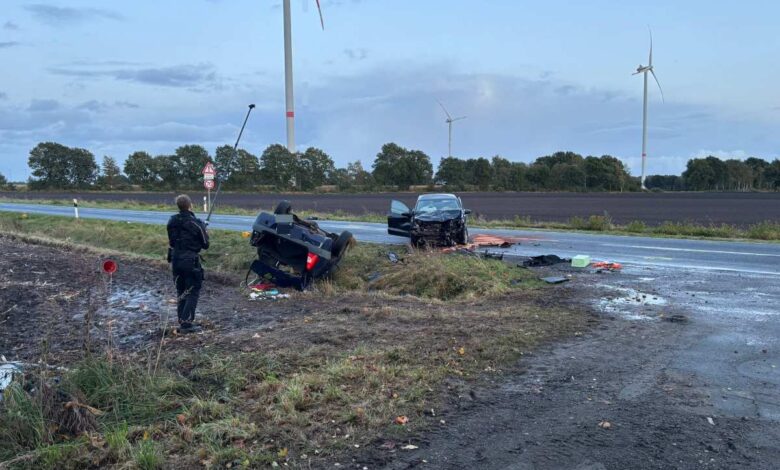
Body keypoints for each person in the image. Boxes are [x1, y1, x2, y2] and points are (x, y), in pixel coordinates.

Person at [167, 194, 209, 332]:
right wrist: (205, 229)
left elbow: (173, 241)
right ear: (190, 205)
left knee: (181, 290)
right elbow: (205, 244)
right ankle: (186, 323)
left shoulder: (171, 221)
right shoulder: (195, 223)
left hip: (175, 259)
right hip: (190, 261)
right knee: (192, 291)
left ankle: (182, 319)